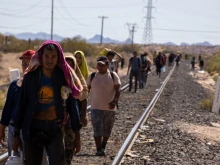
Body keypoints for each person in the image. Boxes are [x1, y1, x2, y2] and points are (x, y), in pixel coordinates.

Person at [12, 40, 83, 165]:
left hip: (54, 128)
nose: (49, 60)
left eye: (53, 57)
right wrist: (16, 134)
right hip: (33, 128)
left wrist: (77, 134)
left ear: (58, 58)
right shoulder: (30, 77)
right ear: (41, 56)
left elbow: (72, 105)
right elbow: (21, 105)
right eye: (47, 56)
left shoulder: (63, 77)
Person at [0, 50, 35, 156]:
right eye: (24, 64)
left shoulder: (40, 85)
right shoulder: (15, 85)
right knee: (15, 158)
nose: (26, 67)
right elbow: (7, 109)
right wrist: (2, 129)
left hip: (34, 129)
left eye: (30, 64)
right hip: (14, 128)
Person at [86, 56, 121, 156]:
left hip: (110, 108)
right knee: (97, 128)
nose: (99, 67)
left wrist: (115, 101)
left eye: (102, 65)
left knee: (107, 129)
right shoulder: (92, 76)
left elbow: (118, 90)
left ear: (107, 65)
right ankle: (98, 149)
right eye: (98, 64)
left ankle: (103, 146)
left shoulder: (113, 75)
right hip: (95, 108)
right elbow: (87, 89)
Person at [64, 55, 88, 165]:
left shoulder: (78, 82)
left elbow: (83, 98)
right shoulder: (57, 79)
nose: (68, 66)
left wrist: (83, 115)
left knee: (69, 146)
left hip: (73, 118)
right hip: (58, 119)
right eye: (66, 64)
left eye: (71, 64)